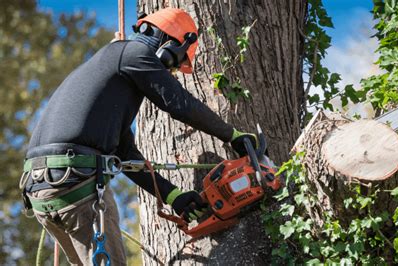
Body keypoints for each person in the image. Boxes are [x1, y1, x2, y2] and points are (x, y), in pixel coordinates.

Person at [20, 8, 256, 265]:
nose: (171, 73)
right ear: (169, 48)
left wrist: (173, 196)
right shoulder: (134, 53)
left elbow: (124, 155)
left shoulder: (109, 72)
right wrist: (232, 135)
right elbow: (179, 103)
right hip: (75, 183)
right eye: (174, 66)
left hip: (42, 190)